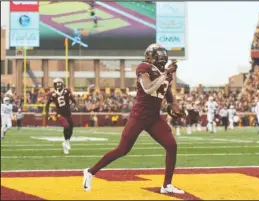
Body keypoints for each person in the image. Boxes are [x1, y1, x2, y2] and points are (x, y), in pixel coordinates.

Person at [82, 44, 186, 194]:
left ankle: (166, 185)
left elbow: (167, 92)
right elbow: (149, 88)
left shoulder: (164, 73)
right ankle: (90, 172)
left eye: (163, 53)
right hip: (139, 116)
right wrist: (165, 74)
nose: (162, 57)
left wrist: (174, 105)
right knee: (122, 150)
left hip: (154, 118)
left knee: (171, 145)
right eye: (159, 54)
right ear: (150, 56)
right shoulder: (143, 67)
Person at [46, 78, 78, 154]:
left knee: (71, 127)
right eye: (57, 84)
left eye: (59, 84)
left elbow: (73, 100)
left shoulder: (67, 91)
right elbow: (47, 105)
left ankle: (66, 142)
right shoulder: (53, 94)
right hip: (59, 114)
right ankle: (66, 142)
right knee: (66, 126)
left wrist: (75, 106)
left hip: (68, 113)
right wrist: (48, 114)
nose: (58, 85)